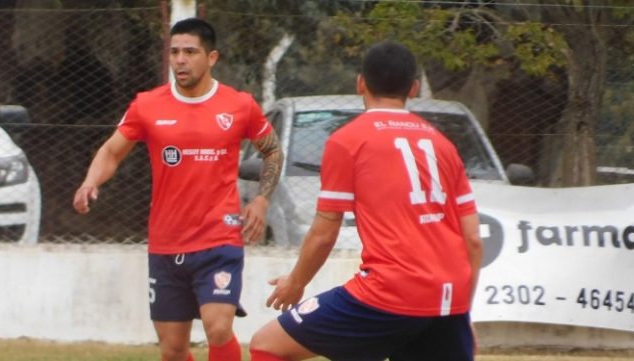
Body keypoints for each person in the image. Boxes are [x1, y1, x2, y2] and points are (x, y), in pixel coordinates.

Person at [249, 41, 483, 361]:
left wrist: (296, 282)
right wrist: (460, 314)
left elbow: (324, 231)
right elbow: (472, 238)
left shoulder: (348, 140)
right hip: (448, 299)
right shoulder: (442, 143)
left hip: (389, 292)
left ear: (361, 82)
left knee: (267, 345)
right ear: (414, 88)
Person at [72, 18, 283, 361]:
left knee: (218, 328)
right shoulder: (147, 106)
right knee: (172, 350)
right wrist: (90, 182)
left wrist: (261, 199)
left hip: (219, 238)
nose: (180, 60)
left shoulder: (239, 105)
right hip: (166, 242)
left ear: (212, 57)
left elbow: (272, 150)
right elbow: (112, 150)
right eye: (174, 52)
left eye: (189, 52)